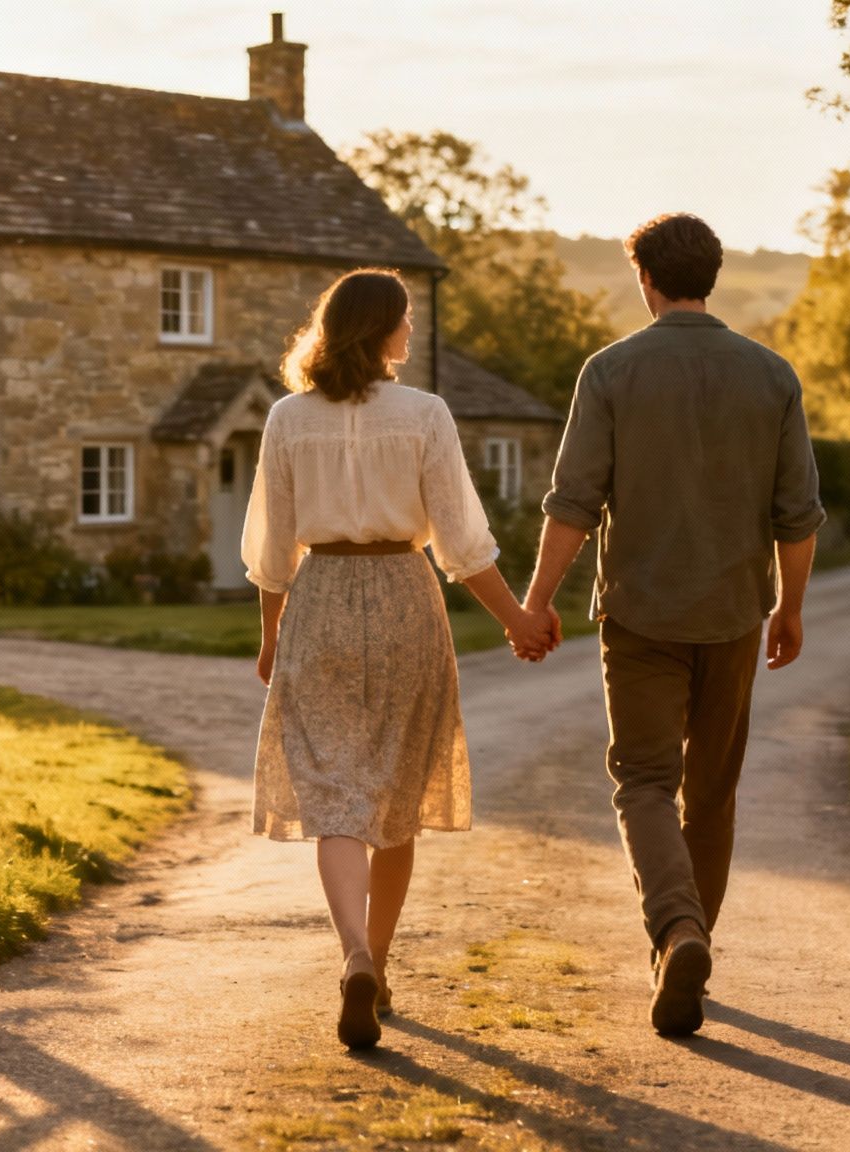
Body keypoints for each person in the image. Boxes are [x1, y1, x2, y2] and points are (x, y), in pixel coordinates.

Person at [521, 213, 825, 1038]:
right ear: (712, 276)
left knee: (645, 782)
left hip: (640, 615)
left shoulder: (611, 371)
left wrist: (537, 600)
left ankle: (676, 933)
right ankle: (691, 949)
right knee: (711, 794)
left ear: (646, 280)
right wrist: (790, 608)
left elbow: (574, 502)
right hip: (733, 615)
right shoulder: (772, 376)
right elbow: (798, 514)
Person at [242, 267, 558, 1050]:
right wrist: (518, 617)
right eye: (405, 320)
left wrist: (271, 633)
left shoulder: (287, 417)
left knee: (335, 793)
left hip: (319, 602)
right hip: (404, 600)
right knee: (397, 793)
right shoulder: (425, 414)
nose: (411, 333)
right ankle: (376, 963)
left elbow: (273, 548)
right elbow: (459, 540)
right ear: (379, 328)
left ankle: (351, 950)